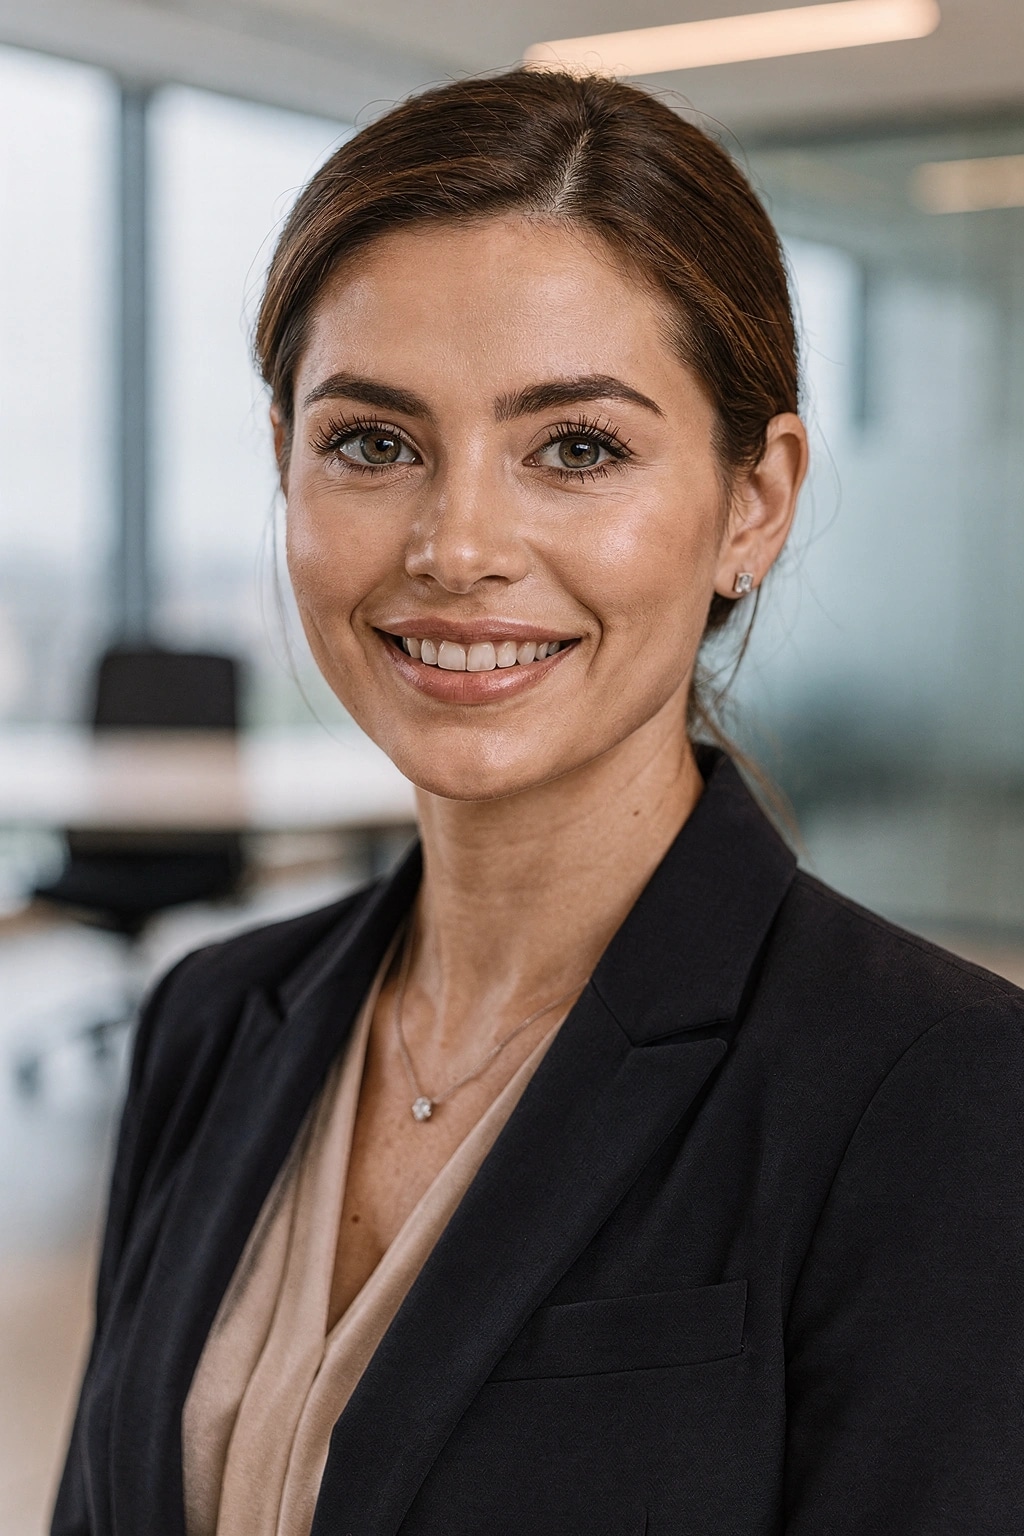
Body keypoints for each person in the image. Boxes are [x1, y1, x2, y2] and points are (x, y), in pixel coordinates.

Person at [54, 70, 1024, 1536]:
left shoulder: (938, 1089)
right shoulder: (211, 1020)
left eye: (578, 449)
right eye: (373, 442)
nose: (457, 547)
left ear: (754, 503)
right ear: (286, 466)